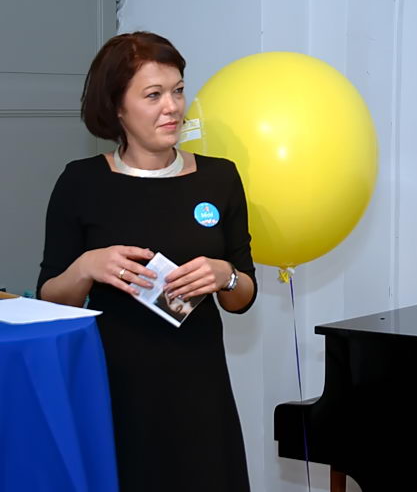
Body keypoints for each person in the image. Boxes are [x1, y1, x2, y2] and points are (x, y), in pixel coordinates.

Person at [37, 32, 257, 491]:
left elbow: (242, 298)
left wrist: (226, 276)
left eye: (178, 90)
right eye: (153, 95)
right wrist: (86, 267)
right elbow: (50, 299)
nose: (172, 107)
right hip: (113, 387)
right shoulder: (81, 183)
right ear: (117, 107)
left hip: (200, 387)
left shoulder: (220, 177)